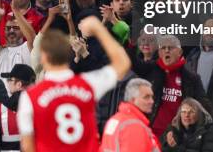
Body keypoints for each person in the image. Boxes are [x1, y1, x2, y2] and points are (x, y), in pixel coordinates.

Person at [17, 16, 131, 151]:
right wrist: (98, 28)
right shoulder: (88, 84)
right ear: (68, 53)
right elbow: (123, 63)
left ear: (43, 57)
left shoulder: (30, 97)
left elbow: (27, 145)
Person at [99, 78, 161, 152]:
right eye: (146, 97)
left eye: (152, 97)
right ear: (132, 100)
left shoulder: (115, 119)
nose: (152, 101)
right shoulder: (134, 125)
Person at [0, 64, 36, 152]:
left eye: (10, 80)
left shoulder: (1, 110)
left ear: (19, 84)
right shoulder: (40, 107)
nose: (8, 83)